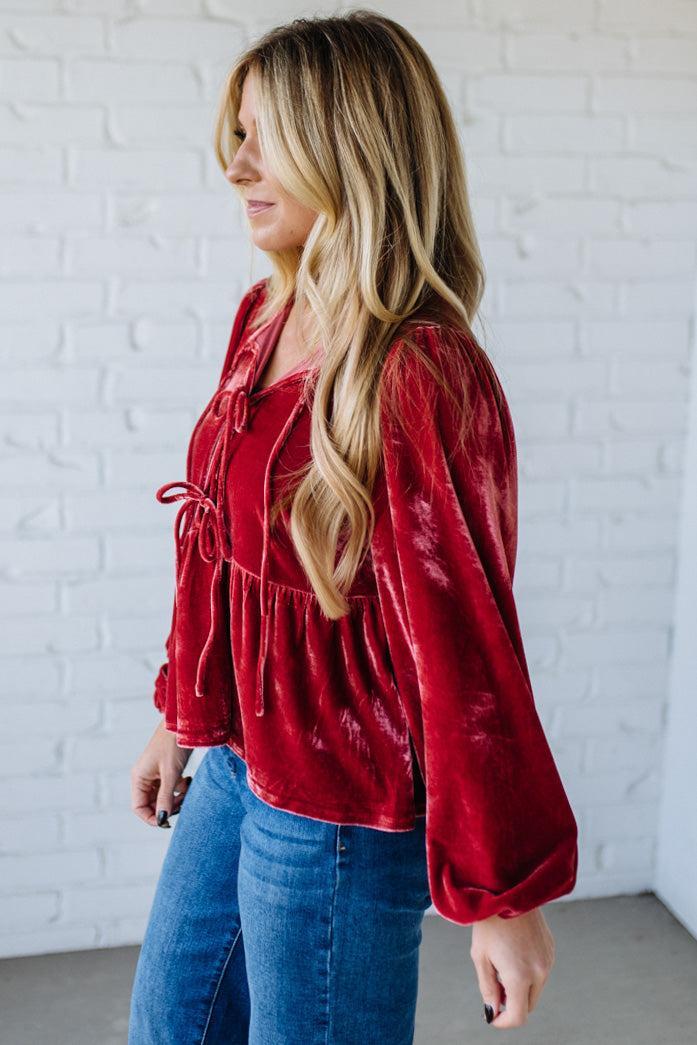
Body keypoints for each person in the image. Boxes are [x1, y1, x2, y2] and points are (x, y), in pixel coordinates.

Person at [127, 10, 578, 1044]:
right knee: (170, 1028)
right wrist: (181, 714)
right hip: (241, 760)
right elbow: (216, 551)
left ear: (350, 146)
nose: (234, 162)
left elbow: (468, 654)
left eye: (263, 134)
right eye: (234, 132)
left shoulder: (419, 375)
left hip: (341, 805)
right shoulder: (264, 316)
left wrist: (498, 892)